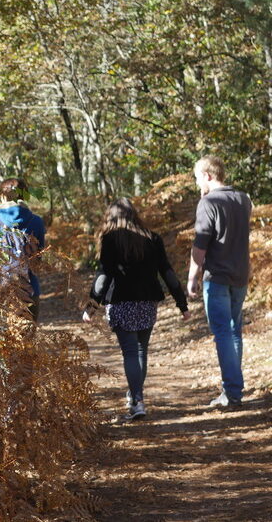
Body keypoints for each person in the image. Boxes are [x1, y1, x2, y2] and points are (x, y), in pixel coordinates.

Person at [83, 198, 189, 420]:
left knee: (131, 352)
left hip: (121, 303)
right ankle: (136, 397)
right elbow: (167, 272)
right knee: (141, 351)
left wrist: (91, 306)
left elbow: (103, 277)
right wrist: (182, 303)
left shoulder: (111, 240)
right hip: (147, 303)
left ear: (111, 216)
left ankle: (137, 401)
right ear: (135, 215)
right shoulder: (153, 238)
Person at [187, 155, 252, 409]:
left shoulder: (208, 203)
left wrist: (193, 276)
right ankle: (235, 388)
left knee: (223, 332)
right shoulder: (243, 199)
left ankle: (232, 392)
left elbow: (200, 244)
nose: (196, 183)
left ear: (208, 176)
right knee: (234, 330)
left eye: (197, 178)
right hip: (240, 275)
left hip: (217, 277)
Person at [0, 177, 45, 321]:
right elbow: (38, 258)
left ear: (2, 196)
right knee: (27, 339)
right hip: (29, 291)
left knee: (1, 341)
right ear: (25, 195)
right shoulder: (36, 221)